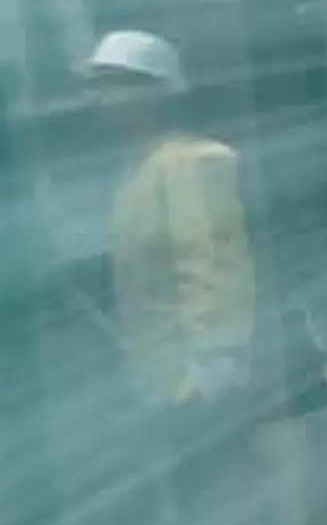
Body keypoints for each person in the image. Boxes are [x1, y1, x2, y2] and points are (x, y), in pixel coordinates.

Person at [88, 28, 258, 411]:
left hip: (195, 378)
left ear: (152, 93)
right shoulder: (137, 171)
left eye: (114, 85)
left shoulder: (193, 161)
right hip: (160, 378)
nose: (99, 99)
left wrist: (216, 355)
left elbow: (209, 257)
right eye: (98, 85)